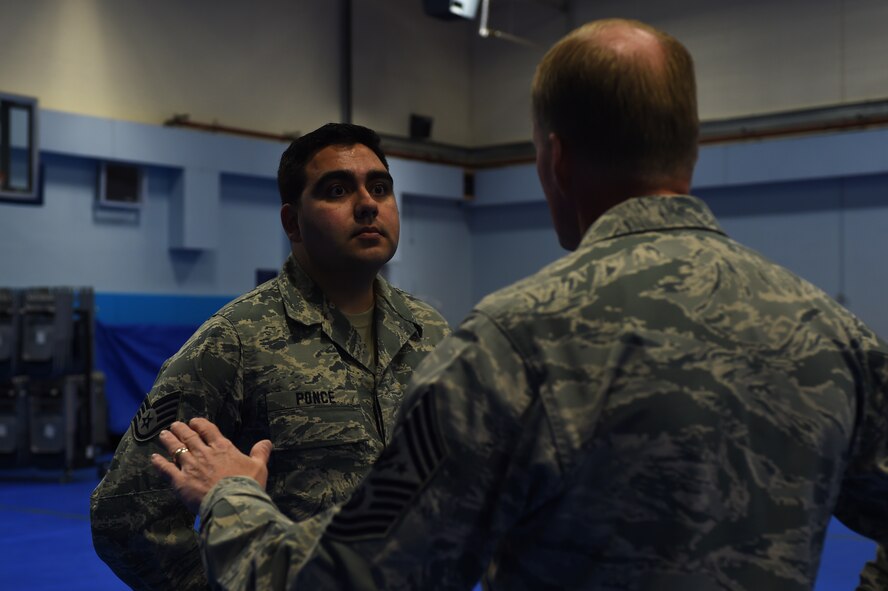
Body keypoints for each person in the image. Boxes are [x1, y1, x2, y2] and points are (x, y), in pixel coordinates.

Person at [153, 19, 888, 590]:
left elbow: (352, 577)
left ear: (556, 159)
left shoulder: (511, 346)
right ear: (689, 148)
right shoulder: (832, 333)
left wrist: (230, 498)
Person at [90, 122, 451, 590]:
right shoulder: (234, 342)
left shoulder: (432, 332)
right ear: (292, 222)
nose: (367, 203)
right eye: (337, 190)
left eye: (379, 187)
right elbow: (124, 513)